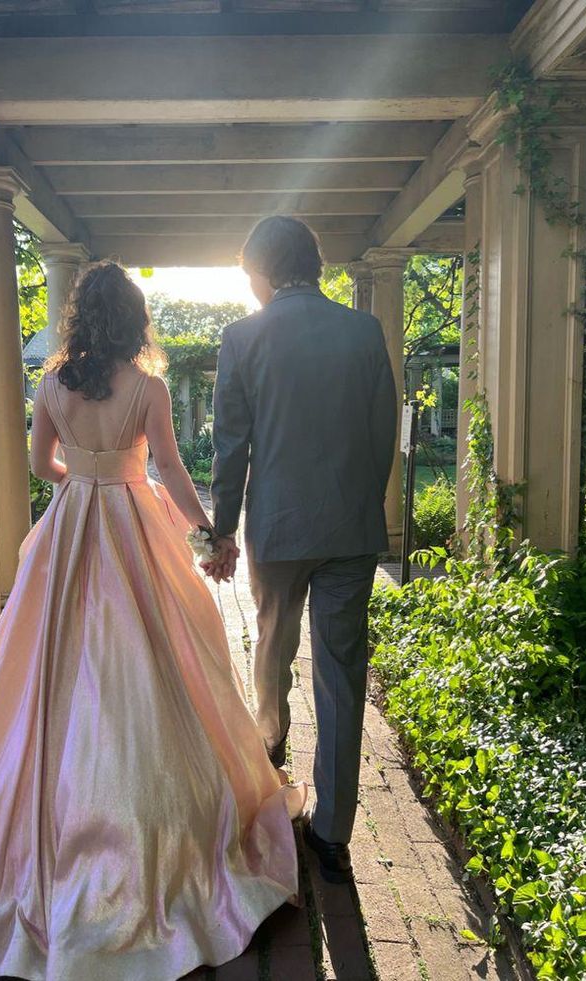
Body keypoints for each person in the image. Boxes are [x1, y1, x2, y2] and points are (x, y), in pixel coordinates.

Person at [0, 262, 305, 981]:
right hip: (135, 523)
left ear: (76, 319)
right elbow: (168, 464)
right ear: (135, 319)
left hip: (71, 530)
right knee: (157, 659)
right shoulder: (149, 388)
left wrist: (87, 479)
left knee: (51, 663)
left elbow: (43, 465)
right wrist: (203, 529)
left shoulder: (51, 384)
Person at [206, 216, 397, 884]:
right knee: (342, 674)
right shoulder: (364, 330)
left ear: (261, 270)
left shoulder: (243, 337)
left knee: (273, 642)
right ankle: (334, 833)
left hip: (280, 528)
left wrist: (221, 526)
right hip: (351, 527)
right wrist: (361, 501)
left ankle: (271, 742)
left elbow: (232, 445)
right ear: (312, 266)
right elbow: (383, 432)